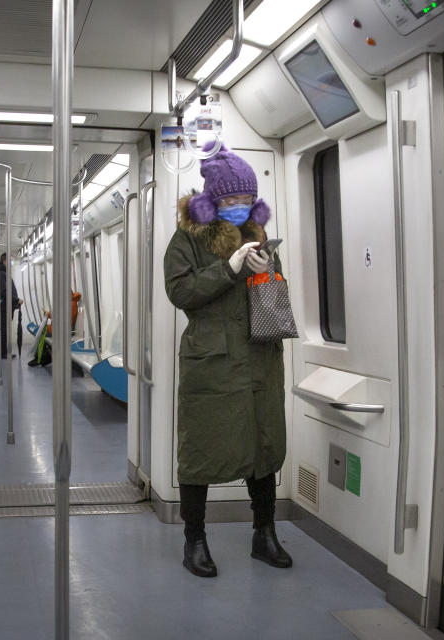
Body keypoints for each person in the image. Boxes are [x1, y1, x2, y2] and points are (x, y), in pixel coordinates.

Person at [163, 144, 291, 578]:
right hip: (212, 363)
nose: (239, 208)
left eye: (245, 200)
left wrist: (266, 268)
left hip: (258, 359)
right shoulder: (189, 238)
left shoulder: (258, 234)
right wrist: (229, 269)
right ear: (213, 200)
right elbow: (181, 293)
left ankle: (264, 533)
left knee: (263, 444)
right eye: (231, 201)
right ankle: (194, 540)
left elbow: (275, 297)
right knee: (201, 449)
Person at [0, 253, 23, 359]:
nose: (11, 264)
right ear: (4, 261)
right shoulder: (2, 274)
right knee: (3, 331)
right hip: (5, 307)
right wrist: (16, 299)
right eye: (10, 261)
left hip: (7, 306)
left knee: (4, 330)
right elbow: (4, 291)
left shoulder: (4, 273)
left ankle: (3, 352)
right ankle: (3, 353)